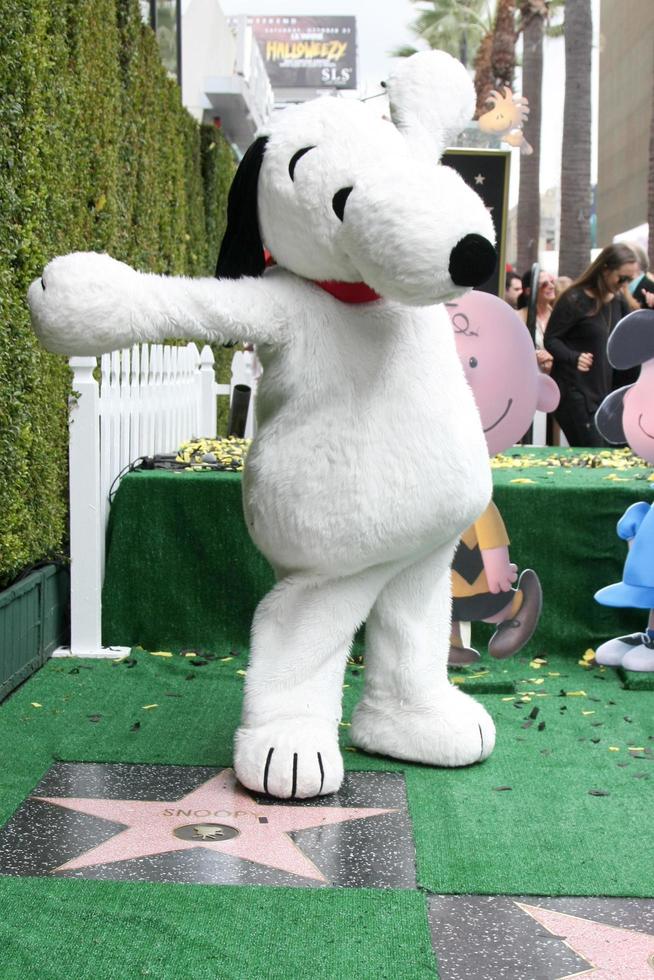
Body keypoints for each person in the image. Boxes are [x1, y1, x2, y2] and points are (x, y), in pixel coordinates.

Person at [544, 243, 639, 446]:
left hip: (601, 394)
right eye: (621, 278)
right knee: (594, 453)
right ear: (605, 269)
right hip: (574, 392)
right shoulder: (574, 299)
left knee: (606, 456)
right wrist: (574, 357)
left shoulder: (618, 302)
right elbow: (551, 339)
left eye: (629, 280)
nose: (624, 284)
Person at [516, 268, 556, 374]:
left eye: (552, 282)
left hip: (555, 380)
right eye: (544, 284)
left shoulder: (559, 316)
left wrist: (553, 357)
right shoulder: (517, 318)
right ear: (529, 291)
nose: (551, 286)